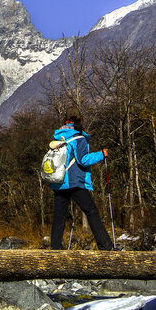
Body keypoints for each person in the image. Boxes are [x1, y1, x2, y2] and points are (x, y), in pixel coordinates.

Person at [49, 107, 114, 250]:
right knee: (91, 211)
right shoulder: (79, 138)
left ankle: (55, 248)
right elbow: (83, 160)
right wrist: (101, 155)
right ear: (78, 122)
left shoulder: (59, 137)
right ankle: (106, 246)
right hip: (75, 183)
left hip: (59, 182)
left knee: (59, 216)